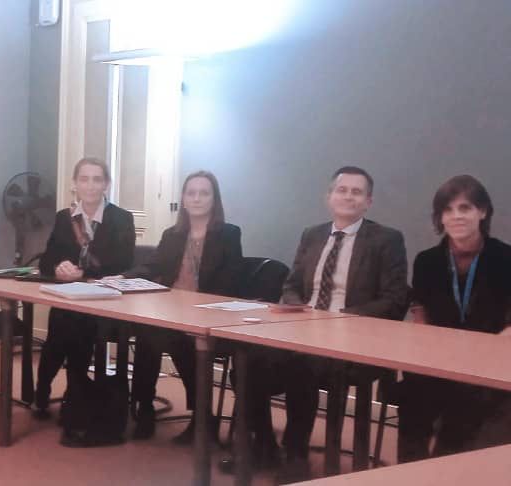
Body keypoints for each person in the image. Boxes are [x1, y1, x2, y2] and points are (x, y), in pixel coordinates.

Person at [221, 166, 409, 482]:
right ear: (329, 196)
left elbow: (394, 299)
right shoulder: (313, 234)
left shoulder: (386, 240)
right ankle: (263, 445)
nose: (348, 196)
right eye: (342, 190)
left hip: (353, 340)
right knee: (247, 361)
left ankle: (295, 453)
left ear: (369, 202)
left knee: (302, 365)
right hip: (303, 330)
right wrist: (300, 308)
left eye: (357, 192)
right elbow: (292, 284)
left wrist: (341, 317)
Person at [398, 175, 511, 462]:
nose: (456, 216)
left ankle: (452, 465)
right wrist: (426, 348)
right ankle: (409, 472)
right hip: (439, 359)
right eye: (448, 210)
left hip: (489, 363)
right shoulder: (427, 261)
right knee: (412, 391)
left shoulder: (505, 258)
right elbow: (421, 310)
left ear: (482, 212)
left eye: (465, 208)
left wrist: (488, 353)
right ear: (440, 218)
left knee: (471, 411)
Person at [129, 170, 242, 442]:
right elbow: (153, 266)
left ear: (214, 199)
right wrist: (123, 277)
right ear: (183, 198)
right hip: (171, 313)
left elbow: (230, 283)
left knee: (175, 338)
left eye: (204, 193)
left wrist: (196, 310)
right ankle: (145, 407)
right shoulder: (172, 235)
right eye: (191, 193)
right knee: (148, 331)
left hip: (209, 316)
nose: (197, 198)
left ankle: (201, 417)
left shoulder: (228, 234)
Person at [33, 157, 135, 420]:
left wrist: (84, 273)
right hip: (70, 298)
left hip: (106, 302)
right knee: (62, 325)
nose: (90, 186)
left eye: (97, 179)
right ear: (74, 184)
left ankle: (72, 392)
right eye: (84, 179)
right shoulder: (64, 217)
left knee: (72, 326)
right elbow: (46, 259)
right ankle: (49, 390)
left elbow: (123, 263)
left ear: (106, 184)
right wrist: (58, 267)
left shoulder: (121, 219)